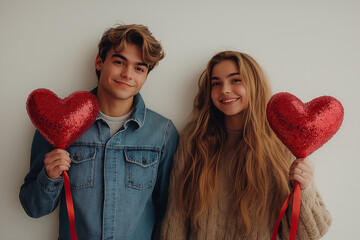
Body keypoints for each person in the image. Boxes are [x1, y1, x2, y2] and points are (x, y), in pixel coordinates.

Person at [19, 24, 178, 240]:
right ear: (99, 62)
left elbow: (168, 212)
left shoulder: (163, 133)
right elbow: (33, 207)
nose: (127, 74)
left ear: (146, 76)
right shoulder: (57, 123)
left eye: (139, 68)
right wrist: (49, 176)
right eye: (119, 62)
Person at [160, 51, 332, 239]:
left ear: (254, 85)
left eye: (235, 80)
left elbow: (310, 233)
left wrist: (305, 187)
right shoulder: (194, 140)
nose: (224, 89)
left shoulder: (281, 142)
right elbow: (176, 214)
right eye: (216, 83)